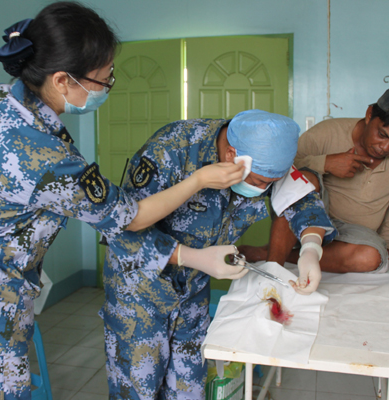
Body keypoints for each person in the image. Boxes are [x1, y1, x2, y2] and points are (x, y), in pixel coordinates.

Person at [0, 3, 246, 399]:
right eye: (103, 79)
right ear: (63, 80)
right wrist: (199, 179)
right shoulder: (47, 157)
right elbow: (131, 218)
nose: (105, 87)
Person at [101, 109, 336, 399]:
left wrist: (311, 247)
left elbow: (303, 202)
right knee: (138, 389)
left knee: (188, 388)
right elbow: (122, 230)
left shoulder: (268, 160)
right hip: (140, 290)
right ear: (231, 155)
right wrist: (193, 256)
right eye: (260, 182)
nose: (266, 189)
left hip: (193, 291)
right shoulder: (171, 150)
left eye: (271, 183)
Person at [240, 86, 389, 273]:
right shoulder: (327, 132)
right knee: (304, 178)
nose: (385, 148)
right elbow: (279, 172)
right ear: (369, 114)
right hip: (308, 220)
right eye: (382, 135)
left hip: (355, 236)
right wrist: (325, 163)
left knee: (370, 257)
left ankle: (267, 254)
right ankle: (275, 265)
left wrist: (386, 247)